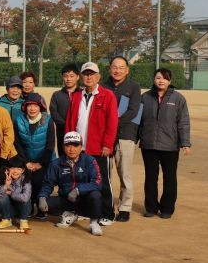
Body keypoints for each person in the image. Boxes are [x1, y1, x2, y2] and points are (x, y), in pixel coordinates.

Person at [65, 62, 118, 225]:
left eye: (92, 74)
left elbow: (112, 122)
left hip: (99, 148)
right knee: (81, 180)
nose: (88, 77)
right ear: (81, 77)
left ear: (98, 76)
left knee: (102, 181)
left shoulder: (107, 95)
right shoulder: (76, 96)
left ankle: (108, 214)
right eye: (86, 74)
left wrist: (107, 144)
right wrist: (69, 144)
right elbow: (70, 121)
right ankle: (85, 211)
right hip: (80, 148)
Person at [139, 68, 191, 219]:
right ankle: (151, 208)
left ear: (170, 81)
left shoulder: (178, 98)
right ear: (154, 79)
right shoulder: (145, 97)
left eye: (165, 78)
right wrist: (133, 139)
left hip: (170, 146)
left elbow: (184, 122)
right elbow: (137, 121)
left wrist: (185, 142)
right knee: (150, 178)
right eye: (158, 78)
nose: (161, 81)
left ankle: (167, 208)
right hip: (149, 145)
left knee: (169, 178)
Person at [38, 132, 104, 236]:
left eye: (75, 145)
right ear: (63, 147)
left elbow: (97, 182)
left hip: (84, 199)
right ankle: (71, 214)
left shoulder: (89, 160)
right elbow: (48, 183)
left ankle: (94, 222)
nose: (71, 149)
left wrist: (78, 190)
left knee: (96, 195)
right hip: (67, 199)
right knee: (45, 203)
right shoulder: (56, 163)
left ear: (81, 147)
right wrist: (42, 197)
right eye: (68, 145)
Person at [101, 56, 142, 222]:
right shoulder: (102, 86)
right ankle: (106, 205)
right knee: (105, 174)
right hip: (104, 137)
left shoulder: (133, 87)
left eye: (121, 67)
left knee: (125, 173)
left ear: (127, 70)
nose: (117, 70)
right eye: (114, 67)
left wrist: (113, 126)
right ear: (109, 69)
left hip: (125, 136)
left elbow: (133, 111)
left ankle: (125, 208)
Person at [13, 93, 55, 219]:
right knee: (27, 183)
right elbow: (17, 143)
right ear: (25, 107)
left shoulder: (48, 119)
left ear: (40, 107)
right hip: (26, 160)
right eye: (29, 105)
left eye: (35, 106)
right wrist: (26, 162)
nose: (32, 108)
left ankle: (41, 208)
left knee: (40, 183)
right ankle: (29, 208)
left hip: (44, 160)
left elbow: (50, 145)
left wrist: (40, 163)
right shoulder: (19, 120)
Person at [0, 157, 32, 230]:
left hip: (21, 209)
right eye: (13, 168)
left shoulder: (26, 180)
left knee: (27, 200)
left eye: (19, 169)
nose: (15, 171)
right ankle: (6, 220)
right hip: (8, 209)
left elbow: (25, 197)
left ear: (23, 170)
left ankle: (23, 221)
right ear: (8, 169)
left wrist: (11, 193)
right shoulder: (2, 177)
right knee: (3, 196)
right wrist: (6, 186)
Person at [50, 63, 81, 153]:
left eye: (72, 76)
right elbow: (54, 113)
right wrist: (66, 126)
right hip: (62, 133)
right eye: (66, 76)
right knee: (63, 158)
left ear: (77, 77)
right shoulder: (56, 95)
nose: (68, 79)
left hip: (79, 132)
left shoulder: (83, 93)